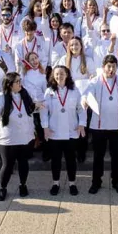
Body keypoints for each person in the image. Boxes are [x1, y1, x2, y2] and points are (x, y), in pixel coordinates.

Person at [81, 55, 118, 194]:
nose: (111, 69)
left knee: (117, 156)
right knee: (98, 156)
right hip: (99, 126)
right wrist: (84, 100)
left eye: (114, 66)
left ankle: (117, 182)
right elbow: (86, 94)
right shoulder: (95, 81)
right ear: (103, 67)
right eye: (108, 66)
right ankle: (96, 182)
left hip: (117, 125)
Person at [0, 72, 37, 201]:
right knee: (7, 165)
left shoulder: (25, 94)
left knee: (23, 162)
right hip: (8, 137)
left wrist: (37, 106)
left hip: (25, 136)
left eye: (20, 81)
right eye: (17, 81)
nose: (20, 83)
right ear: (10, 85)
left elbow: (32, 108)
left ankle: (23, 185)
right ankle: (3, 188)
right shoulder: (0, 97)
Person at [42, 66, 85, 196]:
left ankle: (72, 183)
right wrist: (45, 127)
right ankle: (56, 183)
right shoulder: (49, 91)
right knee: (55, 160)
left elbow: (81, 109)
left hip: (71, 131)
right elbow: (44, 111)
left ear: (67, 75)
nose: (59, 76)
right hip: (54, 132)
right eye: (56, 74)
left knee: (71, 159)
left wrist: (82, 124)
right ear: (53, 76)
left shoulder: (74, 91)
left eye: (62, 74)